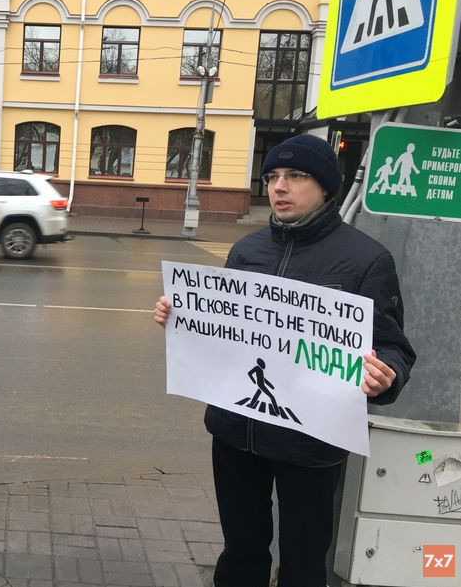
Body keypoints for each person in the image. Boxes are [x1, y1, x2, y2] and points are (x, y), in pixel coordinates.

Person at [153, 134, 416, 587]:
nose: (279, 187)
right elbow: (226, 326)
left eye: (296, 176)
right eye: (273, 176)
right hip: (237, 434)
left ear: (326, 187)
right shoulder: (248, 250)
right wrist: (181, 316)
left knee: (304, 558)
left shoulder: (366, 260)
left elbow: (393, 347)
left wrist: (385, 377)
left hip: (311, 444)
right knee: (241, 551)